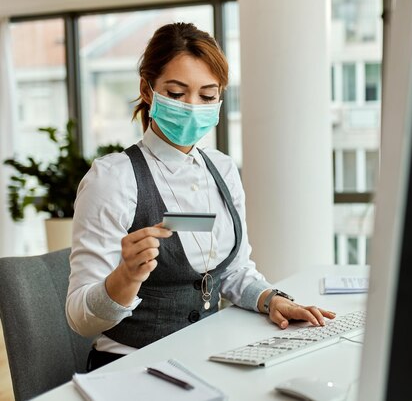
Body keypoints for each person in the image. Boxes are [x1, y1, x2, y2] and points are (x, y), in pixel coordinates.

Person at [66, 22, 335, 371]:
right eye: (177, 94)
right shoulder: (113, 179)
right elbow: (80, 319)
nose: (193, 107)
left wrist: (271, 299)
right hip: (129, 366)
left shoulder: (222, 170)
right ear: (148, 90)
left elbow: (235, 272)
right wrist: (126, 277)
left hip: (205, 355)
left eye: (207, 96)